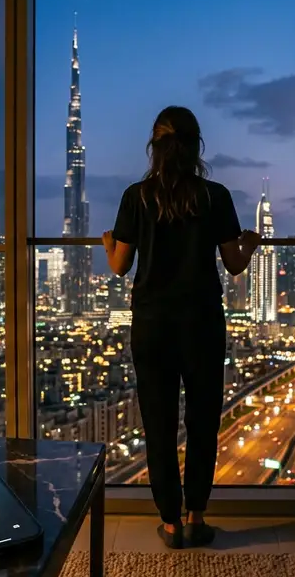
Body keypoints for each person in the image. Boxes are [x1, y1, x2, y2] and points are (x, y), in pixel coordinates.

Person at [102, 106, 261, 549]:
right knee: (203, 421)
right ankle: (196, 517)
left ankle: (170, 523)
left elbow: (119, 266)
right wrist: (250, 244)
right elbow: (233, 264)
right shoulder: (215, 196)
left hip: (152, 324)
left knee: (159, 423)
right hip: (202, 322)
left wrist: (108, 242)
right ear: (196, 147)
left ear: (154, 148)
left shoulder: (136, 197)